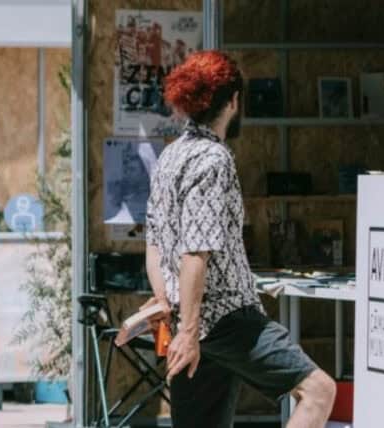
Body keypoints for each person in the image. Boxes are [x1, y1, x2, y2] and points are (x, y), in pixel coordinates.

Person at [144, 51, 336, 428]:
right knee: (318, 391)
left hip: (190, 318)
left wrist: (170, 308)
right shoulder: (214, 159)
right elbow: (195, 252)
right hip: (226, 317)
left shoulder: (169, 156)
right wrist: (187, 331)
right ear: (233, 101)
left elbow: (154, 243)